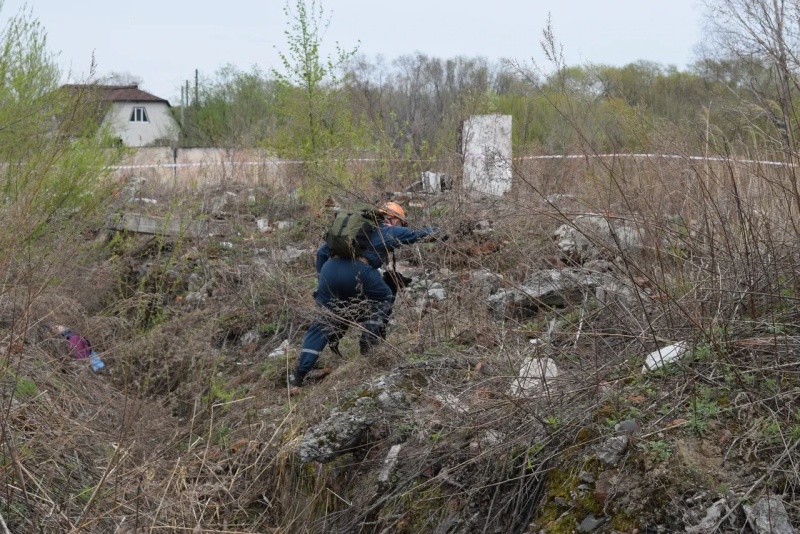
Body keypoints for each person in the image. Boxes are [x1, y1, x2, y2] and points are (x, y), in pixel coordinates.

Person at [289, 201, 445, 391]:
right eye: (401, 222)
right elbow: (419, 235)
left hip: (329, 271)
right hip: (358, 270)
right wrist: (443, 230)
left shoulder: (353, 230)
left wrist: (323, 278)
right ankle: (368, 341)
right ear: (393, 218)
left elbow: (322, 252)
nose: (401, 226)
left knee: (322, 323)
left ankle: (298, 376)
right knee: (384, 296)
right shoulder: (388, 230)